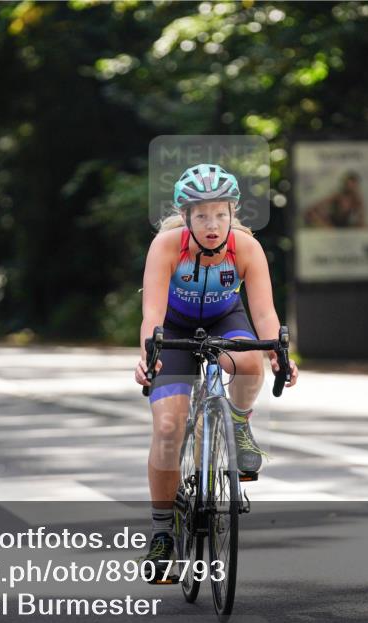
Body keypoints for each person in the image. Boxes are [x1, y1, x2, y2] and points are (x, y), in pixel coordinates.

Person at [134, 163, 299, 575]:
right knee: (169, 428)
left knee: (251, 360)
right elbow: (152, 313)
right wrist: (149, 354)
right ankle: (162, 535)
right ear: (187, 217)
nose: (213, 224)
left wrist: (279, 354)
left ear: (233, 213)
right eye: (203, 215)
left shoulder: (246, 248)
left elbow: (262, 311)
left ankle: (239, 424)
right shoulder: (168, 246)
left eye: (221, 214)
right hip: (173, 329)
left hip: (226, 319)